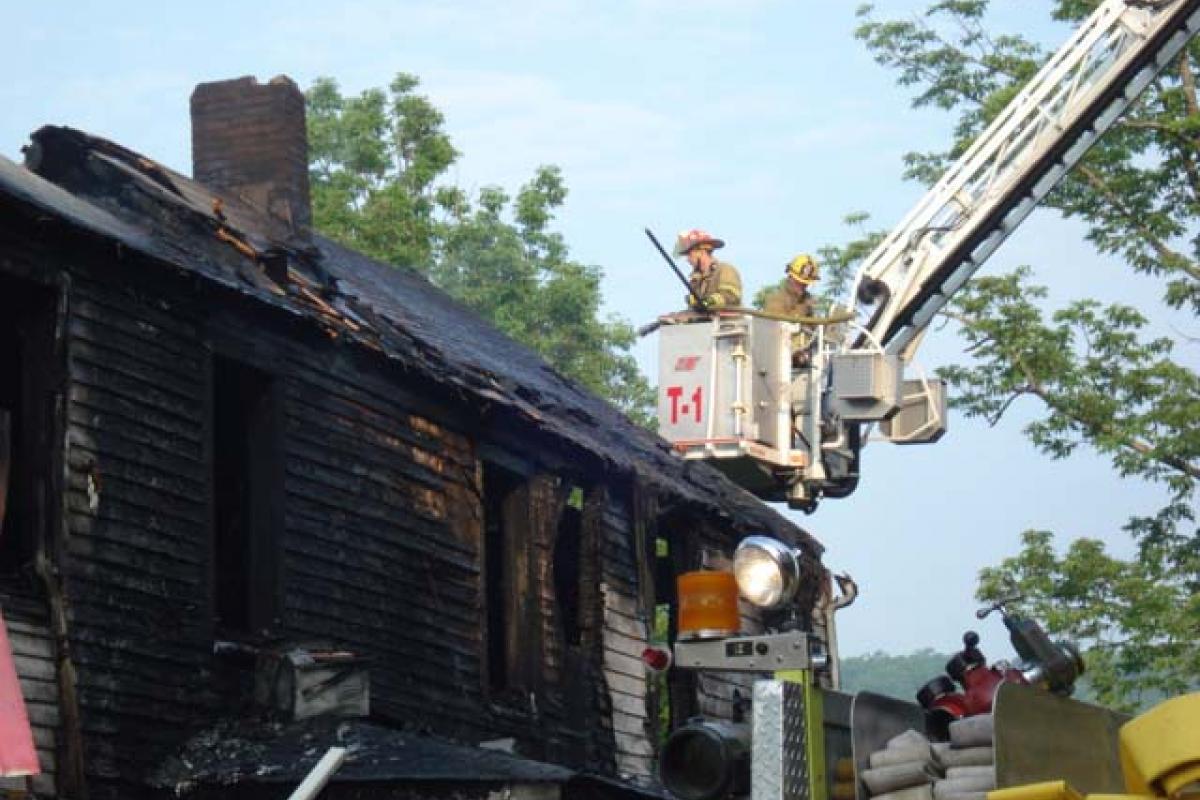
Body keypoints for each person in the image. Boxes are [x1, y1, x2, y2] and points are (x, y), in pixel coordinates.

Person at [674, 229, 742, 310]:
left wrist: (708, 302)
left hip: (727, 321)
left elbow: (730, 296)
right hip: (706, 321)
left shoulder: (725, 270)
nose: (688, 259)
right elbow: (695, 307)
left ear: (701, 252)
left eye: (689, 254)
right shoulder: (696, 280)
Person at [763, 253, 819, 319]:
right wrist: (805, 307)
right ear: (790, 277)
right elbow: (784, 325)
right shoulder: (775, 300)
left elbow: (814, 326)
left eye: (805, 284)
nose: (802, 286)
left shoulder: (807, 299)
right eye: (798, 282)